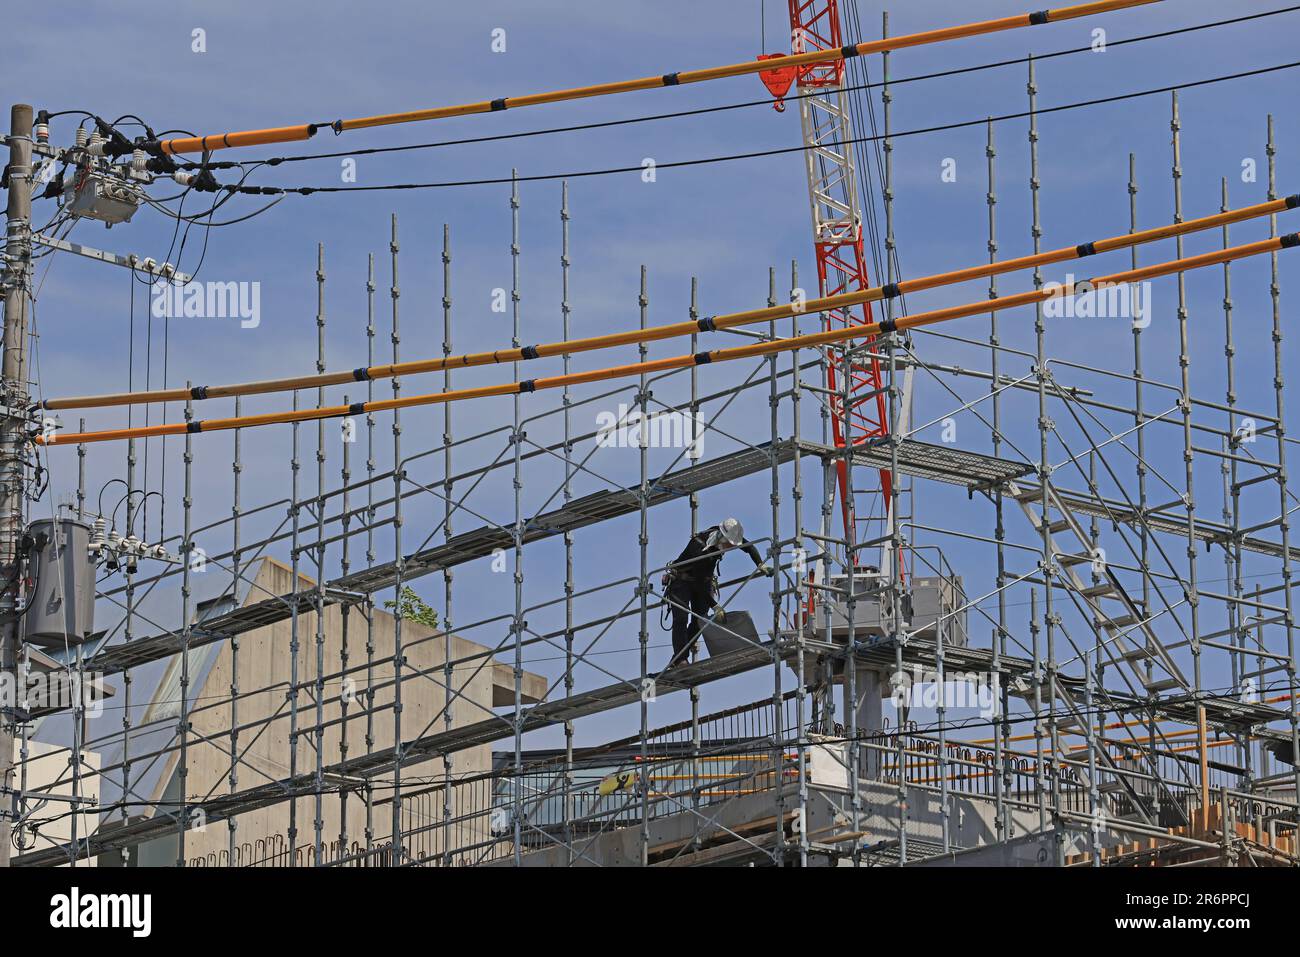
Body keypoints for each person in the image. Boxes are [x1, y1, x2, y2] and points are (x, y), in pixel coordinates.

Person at [663, 518, 772, 668]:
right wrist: (714, 605)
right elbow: (699, 584)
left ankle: (678, 656)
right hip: (682, 581)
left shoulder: (728, 535)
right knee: (681, 618)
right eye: (730, 544)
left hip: (702, 579)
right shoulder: (699, 548)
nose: (731, 548)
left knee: (700, 620)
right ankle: (681, 659)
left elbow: (748, 547)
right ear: (722, 537)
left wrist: (760, 564)